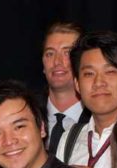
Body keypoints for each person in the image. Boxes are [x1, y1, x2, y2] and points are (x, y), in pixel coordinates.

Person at [56, 30, 117, 168]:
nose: (99, 82)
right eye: (89, 74)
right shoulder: (69, 139)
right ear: (77, 85)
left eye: (110, 72)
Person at [40, 21, 89, 155]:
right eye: (50, 54)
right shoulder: (28, 115)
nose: (57, 62)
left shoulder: (99, 120)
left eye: (67, 53)